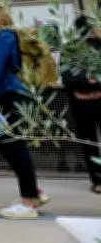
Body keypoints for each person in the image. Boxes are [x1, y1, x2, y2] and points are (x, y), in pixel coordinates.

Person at [0, 0, 49, 218]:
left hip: (6, 95)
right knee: (12, 145)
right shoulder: (5, 33)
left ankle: (29, 201)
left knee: (12, 145)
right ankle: (33, 192)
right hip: (13, 93)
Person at [62, 16, 101, 194]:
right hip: (83, 103)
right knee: (89, 141)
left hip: (83, 102)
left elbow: (68, 78)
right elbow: (67, 78)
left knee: (88, 142)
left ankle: (97, 181)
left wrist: (87, 80)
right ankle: (97, 180)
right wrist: (89, 80)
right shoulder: (71, 48)